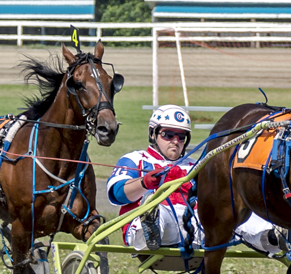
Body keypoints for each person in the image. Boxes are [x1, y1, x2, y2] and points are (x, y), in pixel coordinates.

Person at [108, 105, 280, 255]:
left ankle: (275, 237)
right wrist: (143, 183)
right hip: (158, 223)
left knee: (233, 213)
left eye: (181, 137)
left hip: (195, 226)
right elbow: (117, 194)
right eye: (168, 134)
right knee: (155, 210)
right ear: (153, 134)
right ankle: (148, 232)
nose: (175, 141)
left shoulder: (196, 164)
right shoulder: (135, 159)